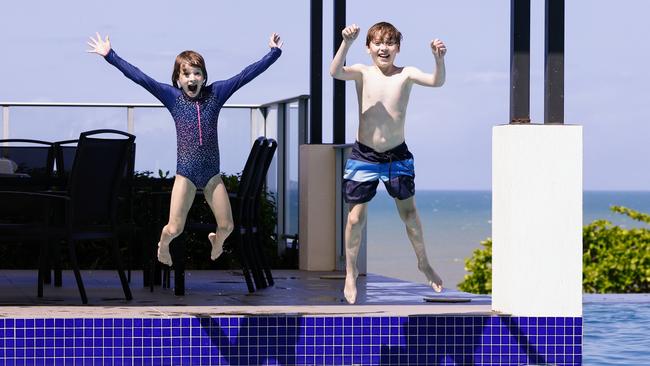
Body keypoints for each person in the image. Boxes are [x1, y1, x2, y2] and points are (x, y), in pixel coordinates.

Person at [87, 32, 283, 266]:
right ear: (178, 79)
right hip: (186, 174)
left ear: (204, 77)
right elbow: (141, 78)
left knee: (227, 226)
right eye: (186, 74)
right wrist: (111, 55)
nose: (192, 78)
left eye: (197, 73)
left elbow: (245, 76)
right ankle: (163, 243)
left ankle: (217, 242)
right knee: (175, 228)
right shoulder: (172, 98)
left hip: (212, 174)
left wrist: (274, 53)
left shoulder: (216, 94)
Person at [329, 22, 446, 304]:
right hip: (365, 155)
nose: (384, 48)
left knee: (410, 215)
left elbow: (436, 81)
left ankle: (423, 262)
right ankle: (350, 271)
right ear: (368, 47)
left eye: (390, 43)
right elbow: (335, 72)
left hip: (397, 155)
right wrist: (345, 43)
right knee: (355, 217)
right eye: (378, 43)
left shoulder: (406, 74)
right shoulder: (362, 72)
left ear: (398, 48)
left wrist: (438, 60)